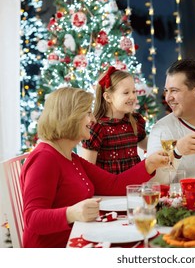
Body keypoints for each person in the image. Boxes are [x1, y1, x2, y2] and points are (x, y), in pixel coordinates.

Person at [20, 87, 168, 248]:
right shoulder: (45, 159)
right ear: (70, 116)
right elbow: (32, 219)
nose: (94, 120)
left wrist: (150, 163)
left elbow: (113, 184)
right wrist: (71, 213)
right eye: (88, 113)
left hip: (77, 238)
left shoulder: (69, 157)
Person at [147, 59, 195, 184]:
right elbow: (154, 184)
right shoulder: (161, 130)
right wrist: (177, 152)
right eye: (166, 90)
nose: (168, 98)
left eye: (174, 90)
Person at [81, 66, 147, 174]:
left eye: (134, 91)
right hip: (107, 189)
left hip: (134, 188)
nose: (133, 97)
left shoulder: (134, 121)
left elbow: (150, 144)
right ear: (108, 97)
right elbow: (88, 170)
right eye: (126, 93)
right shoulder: (98, 127)